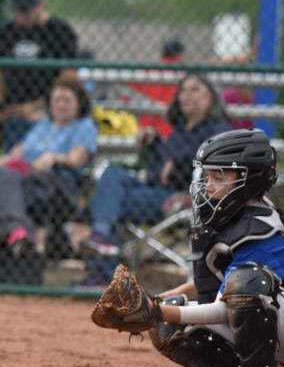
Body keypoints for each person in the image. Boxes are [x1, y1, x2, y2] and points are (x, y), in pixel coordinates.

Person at [146, 129, 284, 367]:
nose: (208, 186)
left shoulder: (262, 232)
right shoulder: (238, 217)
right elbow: (221, 283)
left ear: (247, 180)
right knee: (170, 325)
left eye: (218, 178)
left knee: (244, 284)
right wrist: (162, 301)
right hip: (277, 322)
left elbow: (227, 306)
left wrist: (156, 312)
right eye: (208, 177)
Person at [78, 74, 232, 286]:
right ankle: (102, 237)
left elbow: (218, 164)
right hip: (156, 193)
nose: (187, 95)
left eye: (195, 90)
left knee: (108, 200)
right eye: (183, 90)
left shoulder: (218, 129)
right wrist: (153, 145)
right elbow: (156, 174)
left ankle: (103, 268)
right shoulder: (180, 131)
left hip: (184, 199)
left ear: (210, 97)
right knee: (112, 175)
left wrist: (181, 161)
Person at [0, 77, 97, 280]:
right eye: (56, 100)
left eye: (67, 100)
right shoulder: (45, 124)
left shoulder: (84, 126)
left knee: (3, 186)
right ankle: (15, 232)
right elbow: (19, 151)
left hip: (55, 185)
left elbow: (76, 159)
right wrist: (4, 159)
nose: (60, 105)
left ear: (79, 103)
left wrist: (55, 156)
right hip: (25, 184)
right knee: (4, 180)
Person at [0, 0, 78, 150]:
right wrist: (1, 104)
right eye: (17, 13)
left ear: (41, 5)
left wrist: (38, 105)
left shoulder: (60, 31)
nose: (21, 19)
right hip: (14, 110)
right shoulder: (7, 31)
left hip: (47, 109)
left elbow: (68, 77)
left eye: (27, 13)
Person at [127, 37, 186, 139]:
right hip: (171, 129)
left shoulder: (147, 70)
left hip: (146, 128)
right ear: (180, 54)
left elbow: (125, 97)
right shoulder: (182, 73)